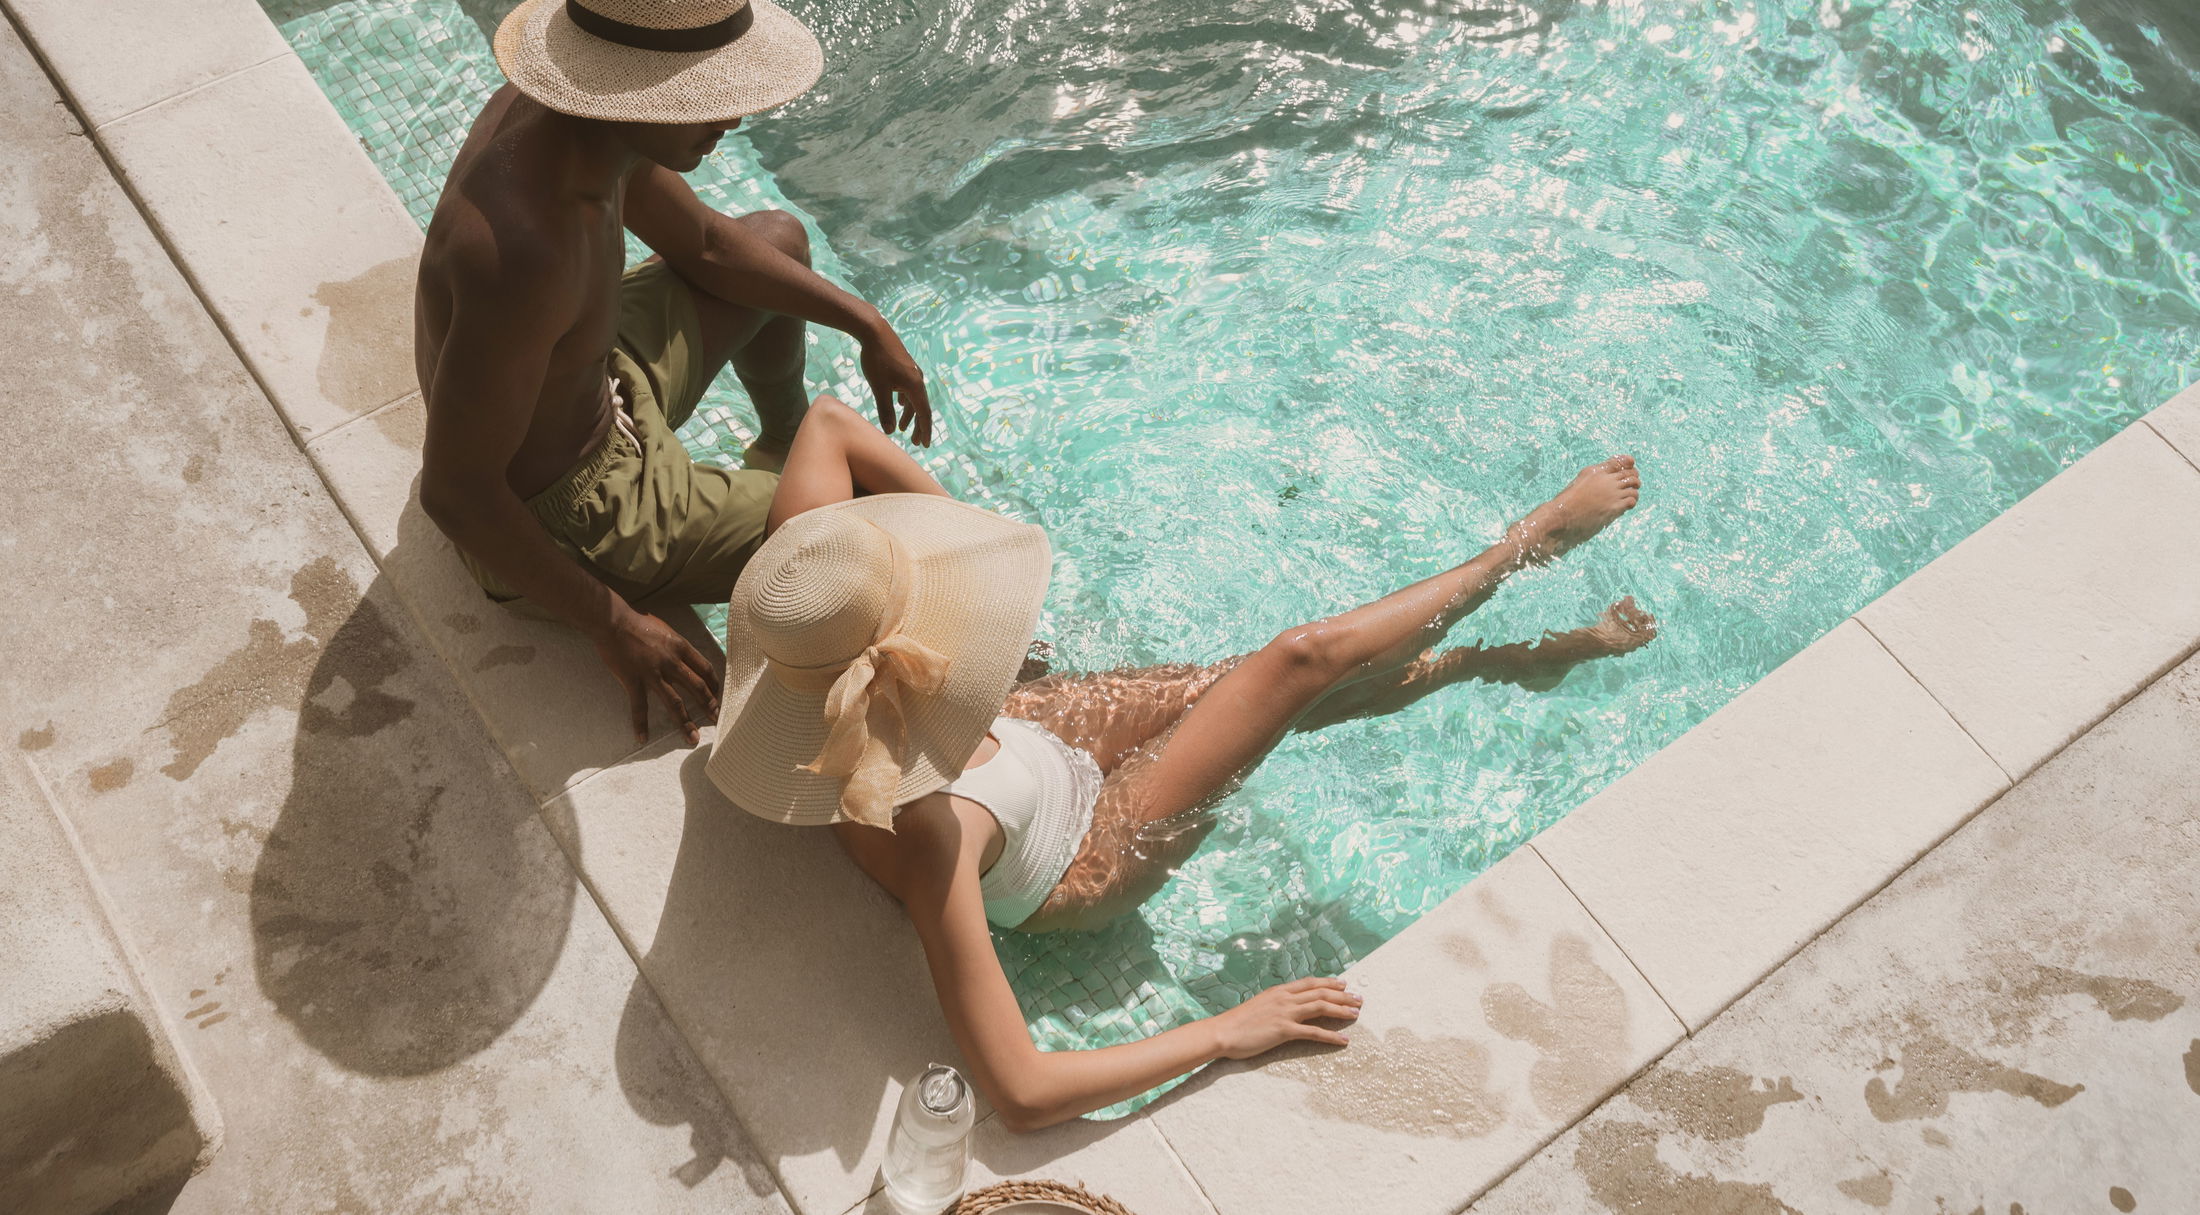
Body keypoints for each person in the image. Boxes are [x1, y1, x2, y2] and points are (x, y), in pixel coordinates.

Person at [706, 397, 1654, 1130]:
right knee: (1295, 665)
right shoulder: (929, 827)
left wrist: (965, 565)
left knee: (1268, 690)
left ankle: (1508, 662)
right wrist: (1223, 1031)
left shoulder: (806, 600)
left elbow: (829, 424)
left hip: (1020, 738)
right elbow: (1021, 1088)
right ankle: (1524, 551)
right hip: (1077, 855)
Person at [413, 0, 933, 745]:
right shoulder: (527, 249)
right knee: (864, 539)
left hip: (598, 379)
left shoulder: (584, 130)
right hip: (579, 510)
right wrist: (614, 622)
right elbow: (456, 492)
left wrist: (865, 322)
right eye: (702, 96)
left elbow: (711, 247)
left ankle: (783, 441)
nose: (733, 117)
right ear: (631, 91)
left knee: (778, 243)